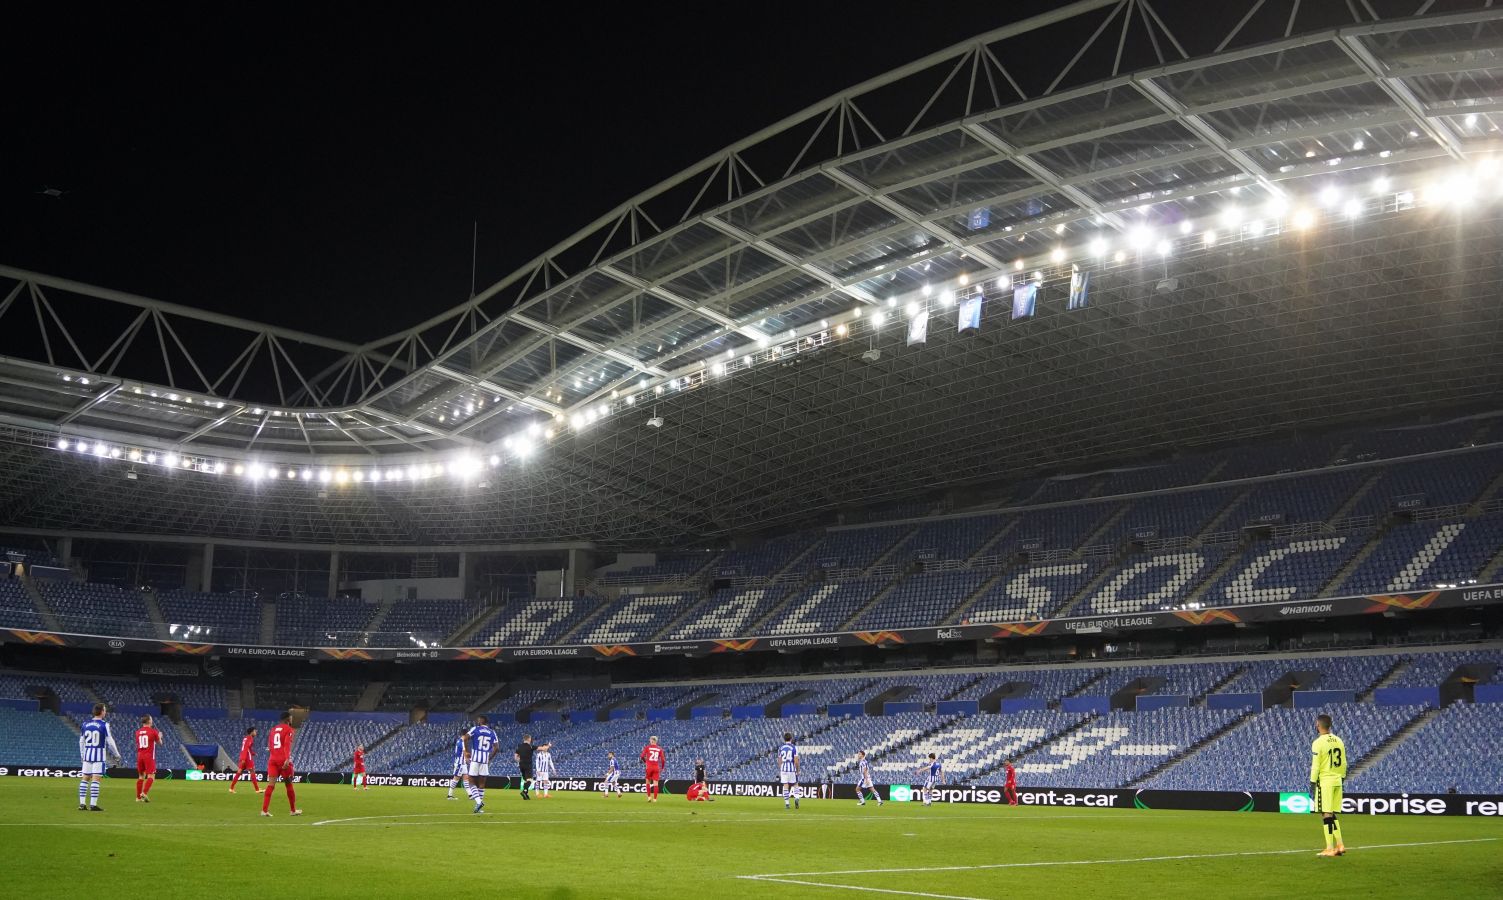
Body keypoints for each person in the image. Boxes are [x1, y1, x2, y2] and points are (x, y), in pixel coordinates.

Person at [1310, 713, 1348, 858]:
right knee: (1331, 813)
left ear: (1318, 726)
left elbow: (1315, 766)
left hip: (1325, 781)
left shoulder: (1318, 742)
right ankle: (1340, 845)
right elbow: (1344, 762)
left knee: (1325, 813)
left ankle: (1329, 848)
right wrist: (1341, 778)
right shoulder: (1339, 740)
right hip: (1338, 780)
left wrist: (1312, 783)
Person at [78, 703, 120, 811]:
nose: (105, 712)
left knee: (85, 779)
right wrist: (116, 754)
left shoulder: (85, 724)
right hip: (99, 756)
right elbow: (110, 741)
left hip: (87, 755)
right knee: (96, 780)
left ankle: (82, 804)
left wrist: (82, 755)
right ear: (101, 712)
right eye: (105, 710)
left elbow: (81, 741)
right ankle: (93, 805)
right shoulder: (104, 724)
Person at [260, 711, 302, 817]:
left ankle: (264, 811)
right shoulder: (288, 729)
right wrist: (287, 759)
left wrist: (275, 755)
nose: (292, 719)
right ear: (287, 719)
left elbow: (270, 746)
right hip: (283, 760)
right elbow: (287, 745)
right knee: (288, 784)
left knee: (270, 785)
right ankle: (293, 810)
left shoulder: (273, 730)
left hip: (272, 760)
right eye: (291, 718)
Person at [463, 715, 499, 814]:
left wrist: (466, 751)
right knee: (482, 784)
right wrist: (489, 758)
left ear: (481, 721)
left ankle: (479, 802)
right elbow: (496, 748)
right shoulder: (492, 732)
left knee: (471, 782)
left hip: (475, 759)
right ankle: (480, 806)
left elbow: (465, 738)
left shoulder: (476, 729)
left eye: (479, 720)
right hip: (485, 761)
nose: (478, 721)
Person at [133, 714, 162, 803]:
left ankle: (138, 798)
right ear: (149, 721)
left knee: (141, 776)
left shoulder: (137, 732)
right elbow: (160, 743)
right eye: (151, 719)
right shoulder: (153, 732)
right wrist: (160, 736)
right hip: (149, 756)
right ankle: (144, 793)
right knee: (151, 776)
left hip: (140, 755)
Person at [229, 726, 261, 794]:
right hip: (247, 757)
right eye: (255, 731)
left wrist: (253, 753)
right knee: (252, 771)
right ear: (252, 732)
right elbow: (246, 748)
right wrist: (244, 758)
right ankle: (257, 789)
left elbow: (247, 748)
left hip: (243, 756)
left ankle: (231, 788)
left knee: (239, 772)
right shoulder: (250, 738)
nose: (256, 733)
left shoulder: (245, 738)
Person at [777, 733, 800, 810]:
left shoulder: (781, 748)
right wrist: (797, 770)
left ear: (784, 739)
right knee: (796, 784)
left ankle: (787, 804)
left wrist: (781, 768)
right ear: (791, 738)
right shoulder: (794, 747)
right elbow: (796, 761)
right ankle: (796, 798)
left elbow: (779, 760)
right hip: (791, 769)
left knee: (785, 786)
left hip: (784, 769)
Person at [640, 736, 665, 803]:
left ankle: (649, 797)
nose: (650, 741)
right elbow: (663, 760)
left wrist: (645, 761)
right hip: (656, 767)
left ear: (652, 740)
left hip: (649, 767)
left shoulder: (647, 747)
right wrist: (662, 767)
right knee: (656, 784)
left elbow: (642, 756)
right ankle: (655, 799)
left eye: (650, 740)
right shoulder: (659, 749)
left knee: (648, 782)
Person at [514, 734, 536, 800]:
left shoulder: (519, 746)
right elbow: (542, 748)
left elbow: (515, 757)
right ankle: (524, 791)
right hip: (528, 765)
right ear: (529, 739)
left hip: (521, 765)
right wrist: (548, 746)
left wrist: (519, 761)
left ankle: (526, 795)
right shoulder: (530, 746)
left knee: (526, 780)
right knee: (530, 780)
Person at [446, 730, 466, 800]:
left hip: (462, 763)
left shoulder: (459, 741)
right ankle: (449, 795)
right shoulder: (462, 742)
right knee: (456, 778)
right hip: (460, 763)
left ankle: (470, 795)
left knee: (466, 778)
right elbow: (465, 752)